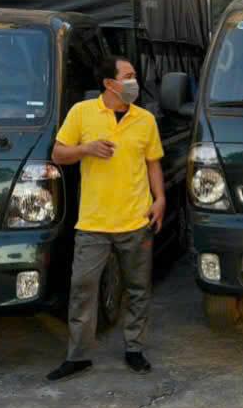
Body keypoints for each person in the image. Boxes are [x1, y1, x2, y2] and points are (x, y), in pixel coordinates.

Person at [46, 57, 165, 381]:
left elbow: (153, 163)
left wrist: (160, 199)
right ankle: (78, 356)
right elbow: (58, 154)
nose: (134, 82)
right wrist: (87, 149)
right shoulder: (81, 112)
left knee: (138, 288)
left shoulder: (145, 120)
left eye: (134, 76)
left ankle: (134, 349)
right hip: (93, 224)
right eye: (128, 76)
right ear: (109, 84)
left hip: (135, 221)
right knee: (82, 288)